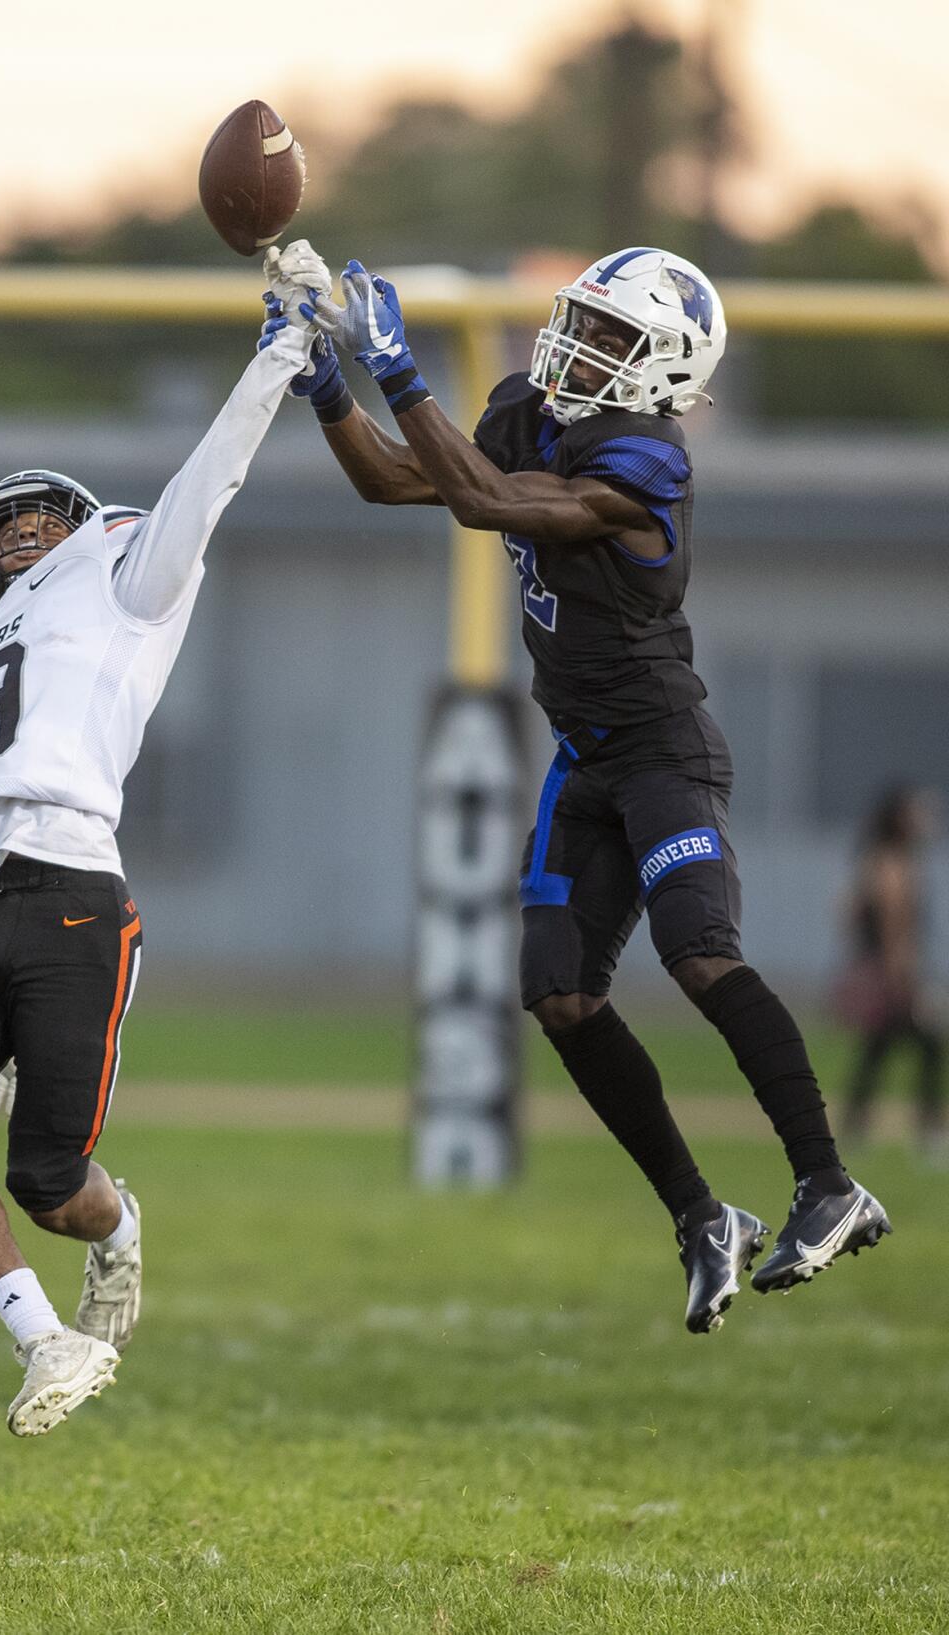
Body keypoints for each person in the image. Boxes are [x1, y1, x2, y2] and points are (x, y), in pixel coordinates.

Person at [263, 240, 891, 1333]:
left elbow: (489, 506)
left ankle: (830, 1183)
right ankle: (702, 1216)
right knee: (559, 995)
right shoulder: (532, 414)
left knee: (699, 956)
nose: (578, 346)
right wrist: (324, 384)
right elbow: (394, 479)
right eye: (584, 323)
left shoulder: (651, 458)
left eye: (611, 338)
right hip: (585, 758)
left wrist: (400, 372)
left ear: (665, 370)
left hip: (662, 752)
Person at [0, 275, 319, 1434]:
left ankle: (118, 1234)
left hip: (69, 888)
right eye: (4, 526)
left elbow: (208, 478)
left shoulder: (122, 574)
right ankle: (46, 1342)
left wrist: (277, 355)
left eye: (43, 518)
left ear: (84, 528)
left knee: (50, 1182)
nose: (25, 532)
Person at [838, 786, 944, 1151]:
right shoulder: (895, 863)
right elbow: (895, 925)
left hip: (875, 971)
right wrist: (902, 978)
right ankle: (930, 1132)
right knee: (929, 1046)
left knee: (877, 1050)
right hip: (892, 975)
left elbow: (846, 913)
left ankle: (855, 1128)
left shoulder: (873, 858)